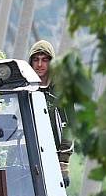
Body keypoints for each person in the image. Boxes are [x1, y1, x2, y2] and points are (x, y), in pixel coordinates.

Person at [28, 40, 74, 187]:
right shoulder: (25, 89)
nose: (39, 65)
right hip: (30, 156)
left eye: (44, 60)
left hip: (54, 155)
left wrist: (63, 164)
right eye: (36, 60)